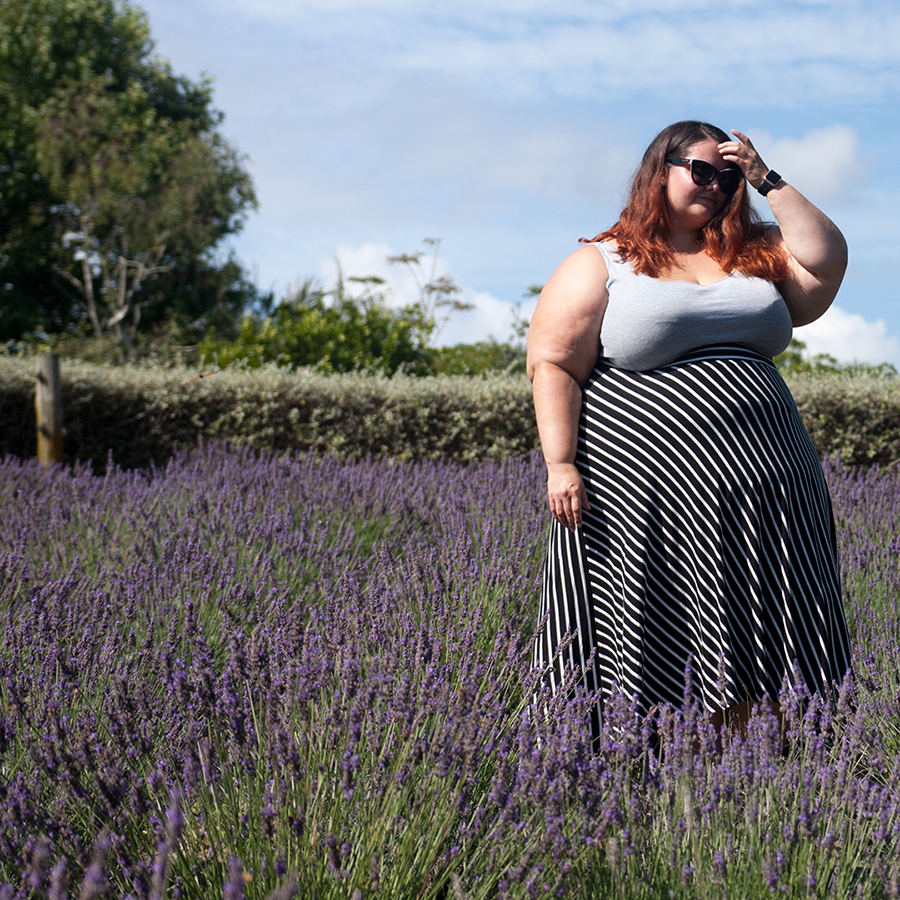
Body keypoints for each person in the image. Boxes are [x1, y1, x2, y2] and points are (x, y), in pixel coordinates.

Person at [527, 120, 852, 738]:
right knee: (656, 631)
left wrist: (768, 179)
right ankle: (638, 771)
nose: (715, 183)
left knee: (771, 624)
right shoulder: (604, 260)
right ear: (661, 171)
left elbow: (826, 258)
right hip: (648, 494)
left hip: (768, 486)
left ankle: (771, 775)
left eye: (727, 176)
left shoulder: (754, 254)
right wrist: (561, 463)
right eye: (701, 170)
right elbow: (553, 362)